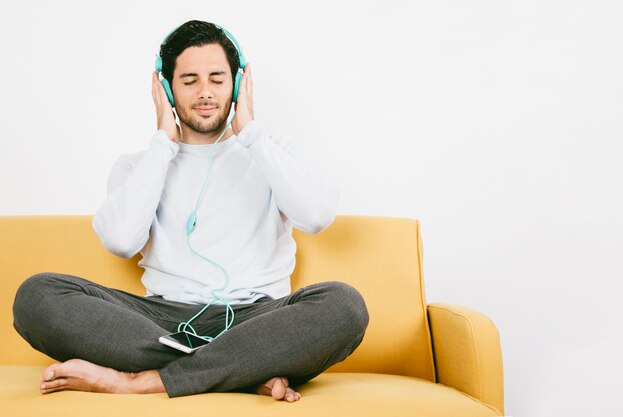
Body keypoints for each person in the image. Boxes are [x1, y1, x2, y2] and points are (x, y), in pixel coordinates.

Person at [12, 20, 368, 402]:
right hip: (160, 322)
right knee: (37, 296)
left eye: (217, 79)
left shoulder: (270, 152)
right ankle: (243, 371)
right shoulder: (139, 165)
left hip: (256, 320)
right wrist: (163, 143)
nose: (205, 93)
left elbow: (316, 216)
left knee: (344, 306)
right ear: (166, 87)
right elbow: (120, 241)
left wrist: (250, 132)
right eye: (189, 80)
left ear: (237, 82)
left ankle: (142, 381)